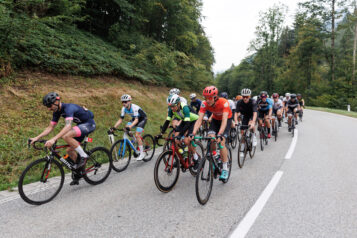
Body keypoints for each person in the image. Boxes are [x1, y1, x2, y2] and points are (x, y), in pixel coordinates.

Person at [30, 92, 96, 185]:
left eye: (50, 106)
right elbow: (50, 127)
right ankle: (78, 172)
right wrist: (36, 138)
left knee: (66, 136)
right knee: (69, 150)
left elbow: (68, 126)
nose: (49, 109)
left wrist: (53, 139)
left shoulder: (68, 108)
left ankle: (84, 156)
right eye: (47, 107)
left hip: (89, 124)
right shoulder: (56, 112)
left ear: (57, 101)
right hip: (80, 126)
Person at [191, 86, 233, 181]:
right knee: (211, 138)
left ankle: (225, 168)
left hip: (225, 120)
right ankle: (215, 158)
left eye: (209, 97)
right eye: (205, 97)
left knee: (221, 141)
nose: (207, 100)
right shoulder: (204, 103)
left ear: (215, 97)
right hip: (215, 120)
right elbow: (199, 120)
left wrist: (220, 134)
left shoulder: (223, 102)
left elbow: (224, 121)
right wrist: (193, 133)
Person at [159, 94, 200, 169]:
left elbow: (188, 124)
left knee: (187, 140)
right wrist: (161, 133)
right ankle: (183, 157)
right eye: (170, 106)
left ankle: (196, 158)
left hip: (194, 120)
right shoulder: (172, 109)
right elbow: (167, 121)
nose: (172, 108)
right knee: (176, 139)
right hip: (185, 120)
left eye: (173, 106)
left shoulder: (185, 108)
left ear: (178, 104)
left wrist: (181, 135)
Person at [111, 94, 148, 161]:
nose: (124, 103)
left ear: (129, 101)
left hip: (142, 119)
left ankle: (142, 153)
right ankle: (135, 141)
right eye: (122, 102)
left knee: (137, 134)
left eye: (125, 101)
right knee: (126, 128)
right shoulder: (123, 109)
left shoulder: (134, 108)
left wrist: (130, 126)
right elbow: (120, 120)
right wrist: (114, 128)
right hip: (135, 118)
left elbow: (137, 120)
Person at [235, 88, 258, 158]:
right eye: (243, 97)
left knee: (251, 124)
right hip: (245, 116)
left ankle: (254, 136)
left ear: (249, 96)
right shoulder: (239, 102)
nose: (245, 98)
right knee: (242, 132)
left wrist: (253, 122)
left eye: (247, 97)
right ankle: (242, 149)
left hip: (252, 115)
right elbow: (236, 113)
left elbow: (255, 113)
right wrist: (236, 121)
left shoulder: (253, 102)